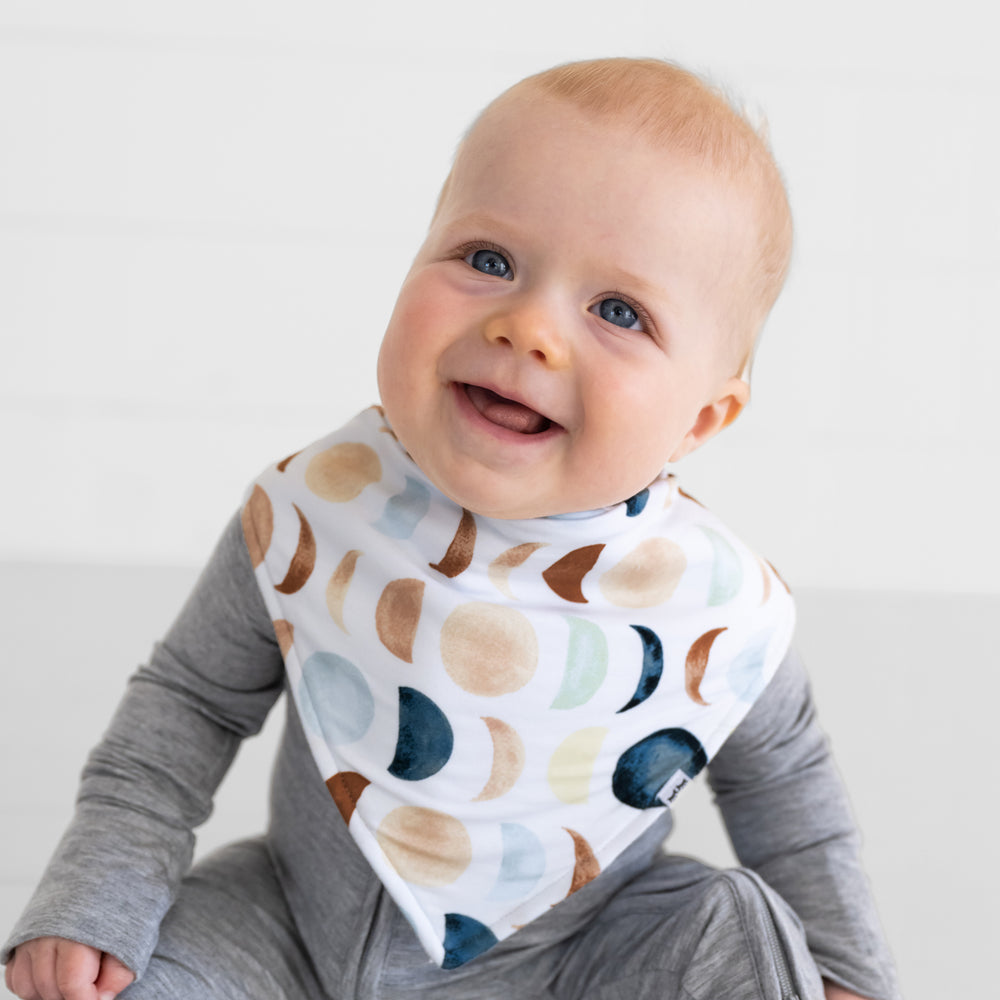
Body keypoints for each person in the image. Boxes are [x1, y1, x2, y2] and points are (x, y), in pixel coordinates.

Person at [3, 58, 901, 1000]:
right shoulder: (317, 512)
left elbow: (789, 801)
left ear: (699, 422)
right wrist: (97, 893)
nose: (529, 328)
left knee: (726, 931)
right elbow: (189, 704)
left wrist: (846, 974)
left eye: (619, 311)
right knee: (150, 974)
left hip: (579, 962)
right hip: (296, 929)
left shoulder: (708, 603)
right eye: (488, 261)